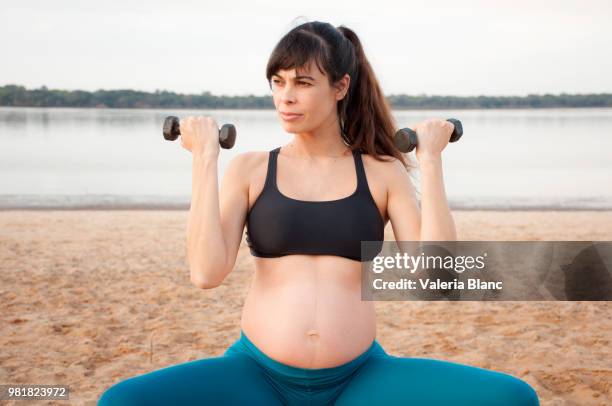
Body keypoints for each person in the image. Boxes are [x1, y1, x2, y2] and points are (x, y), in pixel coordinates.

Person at [98, 20, 540, 405]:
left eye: (303, 83)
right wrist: (204, 160)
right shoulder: (252, 168)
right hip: (259, 377)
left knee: (513, 397)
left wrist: (431, 161)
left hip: (359, 379)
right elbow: (206, 273)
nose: (286, 97)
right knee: (121, 400)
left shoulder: (381, 173)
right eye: (278, 82)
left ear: (341, 87)